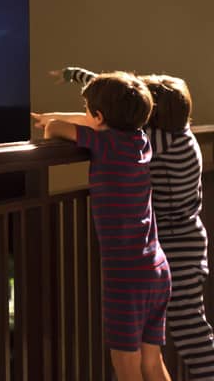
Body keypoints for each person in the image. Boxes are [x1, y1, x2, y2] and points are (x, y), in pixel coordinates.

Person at [57, 67, 214, 379]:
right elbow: (123, 104)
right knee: (157, 353)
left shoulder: (156, 140)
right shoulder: (179, 135)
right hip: (172, 251)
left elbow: (114, 119)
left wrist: (57, 119)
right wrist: (83, 77)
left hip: (169, 250)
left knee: (189, 331)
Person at [33, 71, 172, 380]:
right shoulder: (140, 141)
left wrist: (52, 121)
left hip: (126, 277)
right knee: (152, 362)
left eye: (89, 113)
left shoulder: (104, 144)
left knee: (126, 367)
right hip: (156, 267)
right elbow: (92, 123)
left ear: (98, 116)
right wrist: (82, 119)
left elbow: (56, 130)